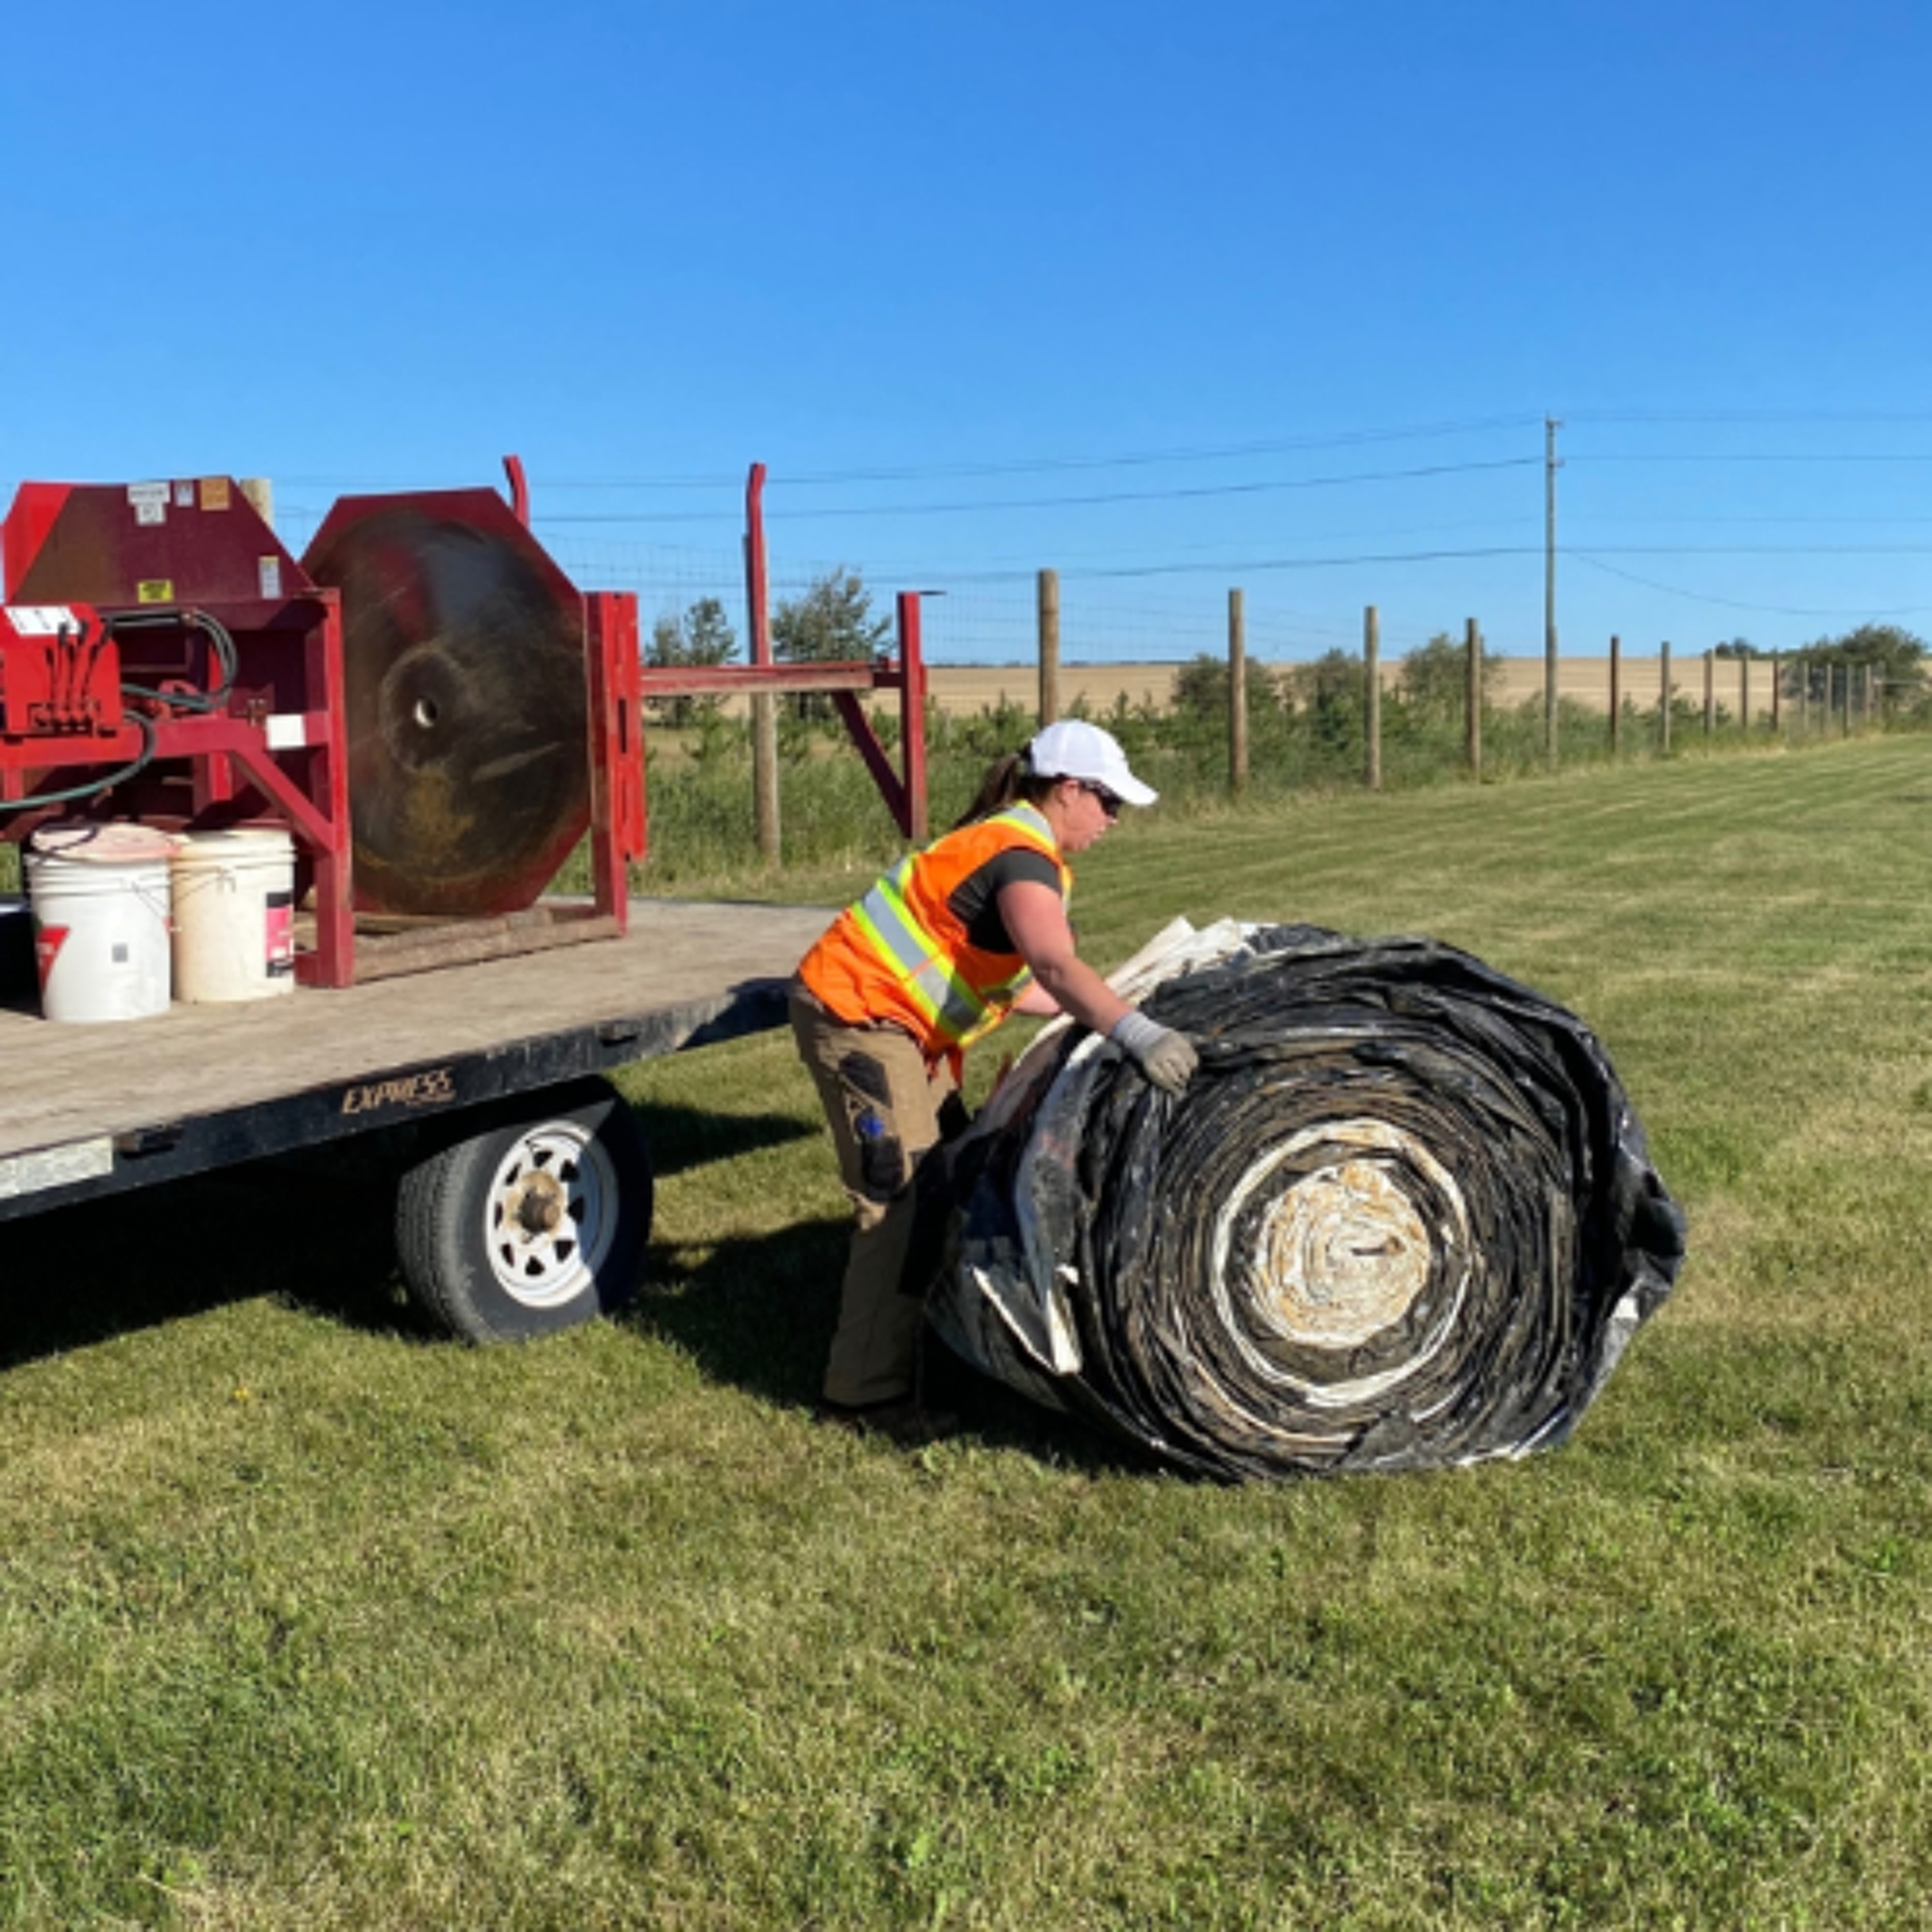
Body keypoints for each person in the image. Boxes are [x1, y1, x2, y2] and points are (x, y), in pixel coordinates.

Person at [789, 717, 1198, 1444]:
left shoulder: (1014, 845)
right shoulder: (1020, 857)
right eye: (1110, 804)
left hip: (898, 1024)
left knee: (954, 1172)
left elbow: (1023, 988)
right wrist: (1135, 1032)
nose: (1113, 821)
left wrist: (1104, 1014)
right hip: (858, 1014)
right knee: (902, 1197)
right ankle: (862, 1399)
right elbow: (1053, 966)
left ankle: (927, 1347)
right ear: (1069, 790)